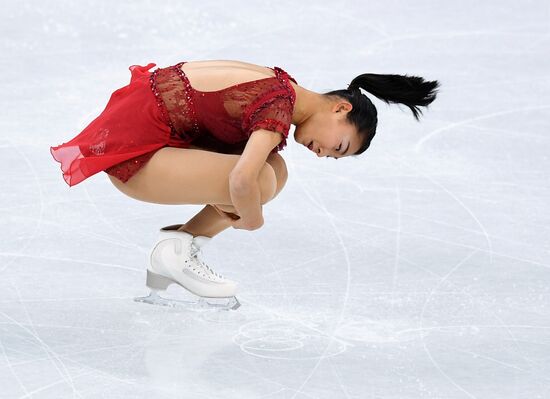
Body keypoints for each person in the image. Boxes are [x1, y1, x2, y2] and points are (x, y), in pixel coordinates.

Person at [50, 59, 440, 310]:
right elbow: (240, 180)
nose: (323, 154)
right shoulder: (278, 104)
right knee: (262, 179)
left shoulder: (284, 89)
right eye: (338, 145)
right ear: (341, 107)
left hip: (150, 143)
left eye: (333, 157)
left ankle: (176, 250)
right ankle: (174, 254)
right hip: (136, 157)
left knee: (276, 170)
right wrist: (253, 219)